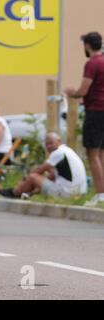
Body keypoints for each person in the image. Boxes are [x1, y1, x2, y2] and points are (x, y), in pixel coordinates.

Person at [65, 32, 104, 206]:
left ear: (87, 45)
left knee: (92, 154)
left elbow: (83, 90)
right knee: (102, 153)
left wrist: (71, 92)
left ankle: (101, 193)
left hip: (95, 111)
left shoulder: (92, 64)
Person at [0, 133, 87, 199]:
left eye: (51, 143)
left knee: (33, 177)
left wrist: (24, 180)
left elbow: (39, 170)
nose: (48, 146)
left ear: (59, 141)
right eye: (46, 144)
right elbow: (52, 175)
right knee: (49, 176)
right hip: (79, 193)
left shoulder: (58, 153)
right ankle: (27, 194)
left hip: (68, 193)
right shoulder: (67, 151)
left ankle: (15, 192)